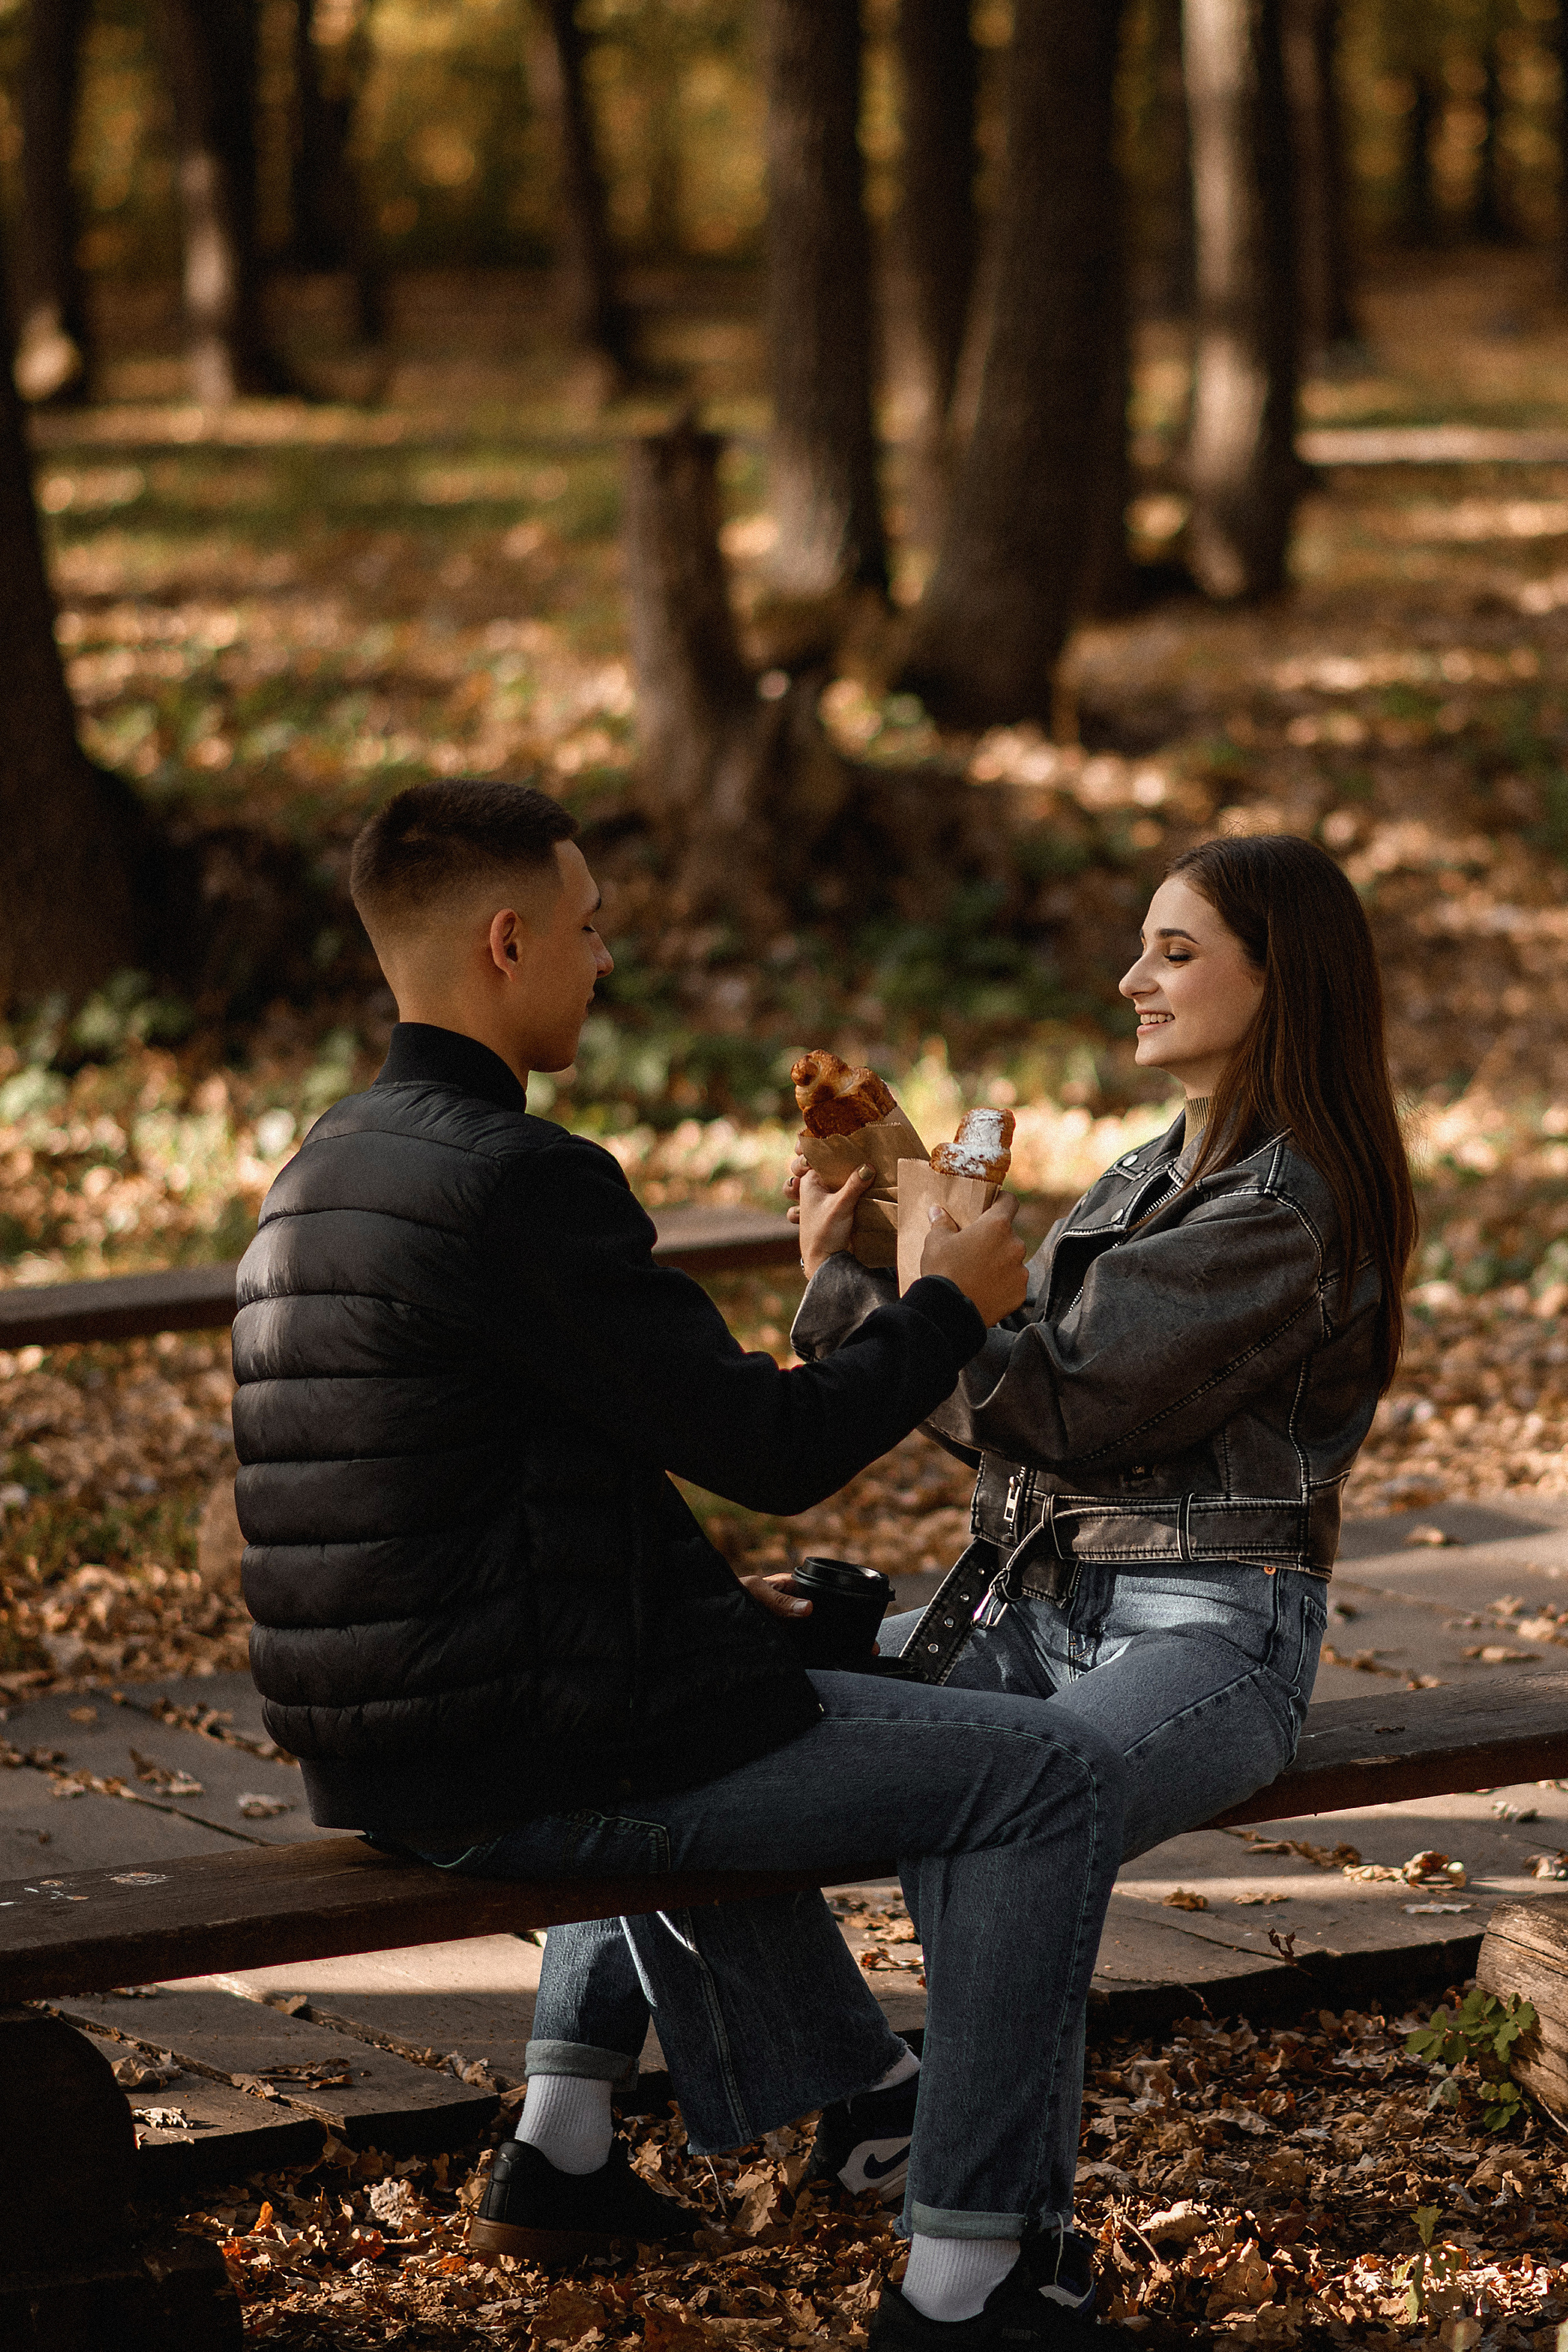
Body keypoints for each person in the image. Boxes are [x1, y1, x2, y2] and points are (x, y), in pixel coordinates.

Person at [231, 776, 1134, 2352]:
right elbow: (767, 1451)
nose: (604, 961)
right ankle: (968, 2277)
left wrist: (720, 1608)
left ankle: (746, 2115)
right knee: (1048, 1777)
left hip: (378, 1752)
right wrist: (945, 1305)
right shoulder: (519, 1178)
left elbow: (505, 1485)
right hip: (520, 1751)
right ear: (505, 941)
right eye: (586, 929)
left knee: (772, 1657)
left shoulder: (323, 1165)